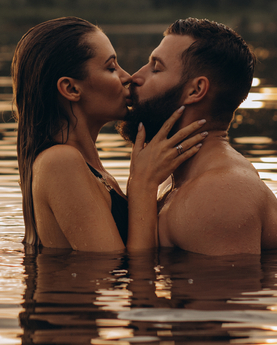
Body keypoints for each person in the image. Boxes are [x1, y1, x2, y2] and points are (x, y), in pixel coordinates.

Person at [12, 17, 208, 252]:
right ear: (71, 89)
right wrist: (143, 186)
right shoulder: (60, 162)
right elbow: (115, 270)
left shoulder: (92, 169)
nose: (128, 77)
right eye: (111, 68)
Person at [121, 18, 277, 256]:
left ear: (196, 90)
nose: (134, 77)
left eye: (156, 68)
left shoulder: (219, 193)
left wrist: (141, 186)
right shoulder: (176, 180)